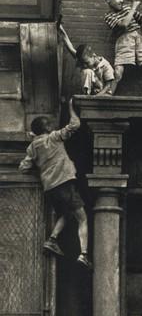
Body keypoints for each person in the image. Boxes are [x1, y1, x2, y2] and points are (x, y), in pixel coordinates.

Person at [18, 98, 92, 269]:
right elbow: (75, 124)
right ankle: (84, 254)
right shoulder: (54, 137)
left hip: (50, 188)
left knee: (66, 214)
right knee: (82, 218)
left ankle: (52, 240)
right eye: (50, 124)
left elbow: (24, 167)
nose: (52, 126)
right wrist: (71, 107)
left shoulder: (32, 147)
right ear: (47, 128)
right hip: (65, 182)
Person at [59, 24, 114, 96]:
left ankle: (87, 98)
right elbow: (69, 45)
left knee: (88, 71)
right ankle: (85, 96)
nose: (85, 65)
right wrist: (60, 28)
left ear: (94, 56)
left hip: (103, 94)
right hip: (92, 92)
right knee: (87, 71)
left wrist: (96, 97)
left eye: (87, 63)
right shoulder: (83, 58)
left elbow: (108, 86)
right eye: (83, 63)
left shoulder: (106, 66)